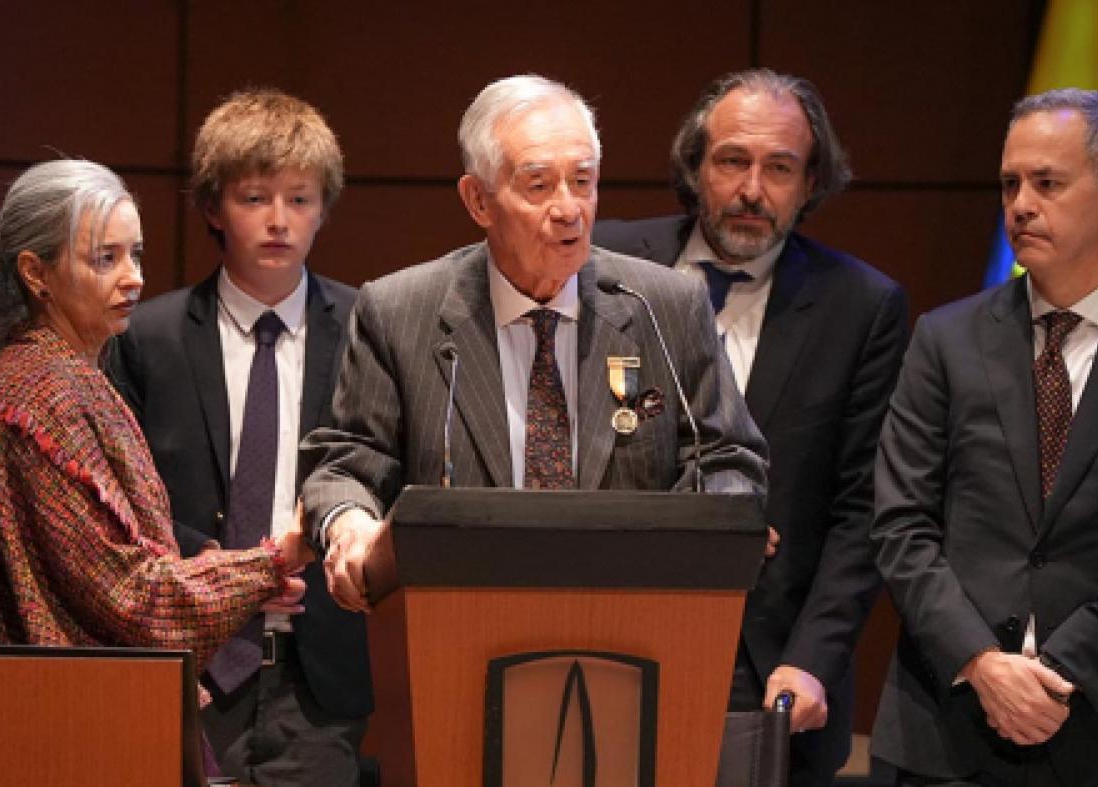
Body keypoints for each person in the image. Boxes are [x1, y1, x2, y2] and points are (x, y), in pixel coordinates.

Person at [300, 74, 768, 613]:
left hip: (632, 618)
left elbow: (728, 455)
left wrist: (702, 529)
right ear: (478, 200)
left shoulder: (664, 306)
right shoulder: (402, 312)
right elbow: (348, 463)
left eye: (583, 181)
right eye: (539, 185)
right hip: (458, 623)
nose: (569, 209)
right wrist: (350, 524)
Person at [593, 69, 907, 785]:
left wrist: (815, 655)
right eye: (733, 160)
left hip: (767, 654)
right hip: (605, 620)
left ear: (812, 180)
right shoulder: (604, 264)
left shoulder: (861, 305)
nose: (752, 190)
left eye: (780, 167)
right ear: (694, 165)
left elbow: (866, 508)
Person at [0, 160, 310, 720]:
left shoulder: (72, 376)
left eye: (136, 253)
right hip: (69, 720)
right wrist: (272, 561)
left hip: (93, 707)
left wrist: (227, 569)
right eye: (105, 258)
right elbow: (130, 597)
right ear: (35, 272)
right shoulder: (40, 391)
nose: (134, 277)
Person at [107, 89, 369, 786]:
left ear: (324, 210)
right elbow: (125, 497)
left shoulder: (371, 326)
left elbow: (390, 467)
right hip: (190, 655)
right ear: (213, 207)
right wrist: (223, 568)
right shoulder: (147, 336)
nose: (280, 220)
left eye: (301, 199)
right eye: (255, 197)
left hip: (323, 664)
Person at [871, 88, 1098, 785]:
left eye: (1048, 182)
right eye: (1010, 183)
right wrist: (982, 662)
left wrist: (1061, 671)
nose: (1021, 203)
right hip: (945, 725)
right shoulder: (945, 337)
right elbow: (900, 525)